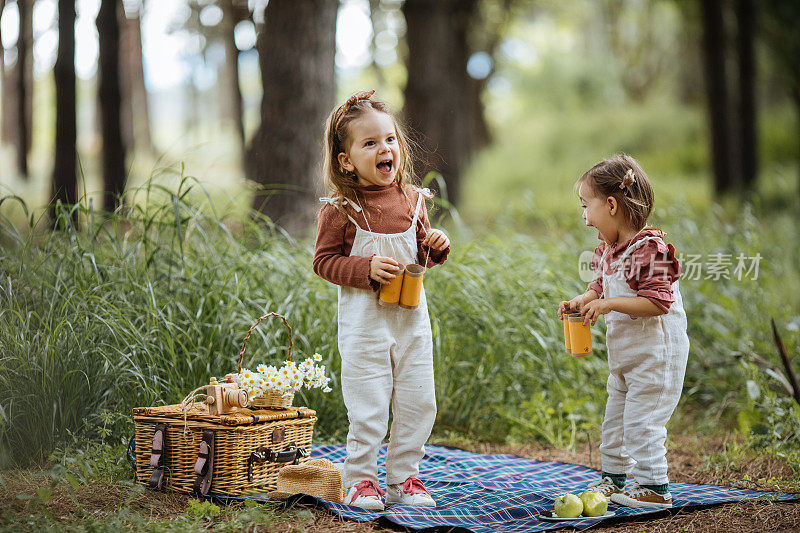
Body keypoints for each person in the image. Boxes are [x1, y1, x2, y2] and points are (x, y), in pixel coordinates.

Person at [313, 90, 450, 510]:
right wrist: (364, 269)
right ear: (346, 160)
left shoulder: (413, 200)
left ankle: (405, 477)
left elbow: (420, 254)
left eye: (388, 139)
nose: (383, 148)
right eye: (369, 143)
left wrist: (436, 246)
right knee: (369, 403)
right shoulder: (341, 208)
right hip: (365, 326)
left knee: (418, 399)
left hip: (411, 322)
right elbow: (323, 262)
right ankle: (362, 480)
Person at [558, 154, 689, 508]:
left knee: (642, 423)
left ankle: (654, 488)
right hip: (626, 358)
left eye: (586, 206)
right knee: (614, 422)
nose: (584, 217)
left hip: (656, 358)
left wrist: (609, 305)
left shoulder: (651, 251)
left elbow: (658, 302)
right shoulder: (611, 250)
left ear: (612, 205)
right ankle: (614, 481)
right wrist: (584, 299)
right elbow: (601, 284)